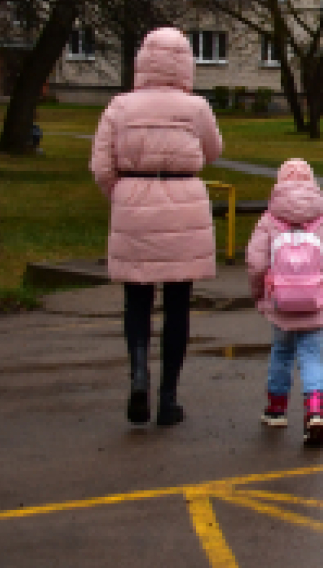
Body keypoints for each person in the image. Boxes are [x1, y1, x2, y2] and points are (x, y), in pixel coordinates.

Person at [90, 27, 223, 427]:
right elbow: (214, 150)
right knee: (178, 305)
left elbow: (101, 166)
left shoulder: (119, 107)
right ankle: (168, 398)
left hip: (134, 203)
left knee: (137, 301)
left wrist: (125, 194)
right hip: (184, 204)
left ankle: (138, 373)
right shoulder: (196, 107)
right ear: (185, 63)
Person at [245, 158, 323, 448]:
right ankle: (315, 409)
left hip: (280, 303)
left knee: (281, 352)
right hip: (316, 302)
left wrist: (259, 294)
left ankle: (276, 409)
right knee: (311, 356)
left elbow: (255, 263)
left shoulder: (269, 219)